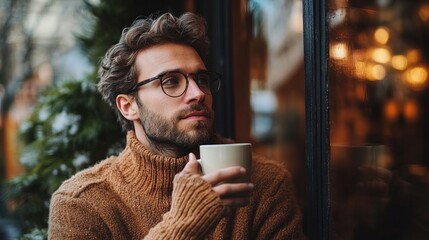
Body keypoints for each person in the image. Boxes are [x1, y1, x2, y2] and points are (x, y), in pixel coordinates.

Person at [48, 12, 305, 239]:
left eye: (202, 79)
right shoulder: (82, 203)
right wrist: (184, 223)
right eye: (170, 81)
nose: (197, 93)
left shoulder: (262, 183)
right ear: (129, 106)